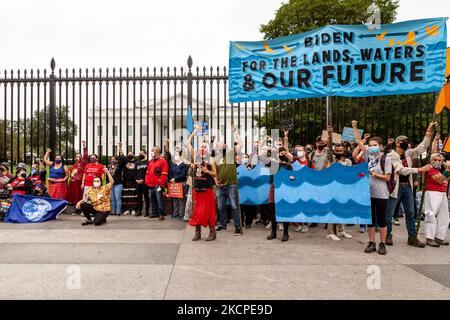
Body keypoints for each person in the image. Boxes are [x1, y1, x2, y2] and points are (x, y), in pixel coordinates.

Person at [385, 121, 436, 247]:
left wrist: (428, 133)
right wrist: (420, 170)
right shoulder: (391, 155)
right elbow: (401, 169)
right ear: (397, 143)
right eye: (404, 141)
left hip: (407, 187)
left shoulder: (408, 153)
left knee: (410, 213)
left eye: (407, 141)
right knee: (389, 213)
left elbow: (422, 148)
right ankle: (387, 235)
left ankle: (412, 238)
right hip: (395, 188)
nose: (406, 144)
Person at [352, 120, 391, 255]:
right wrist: (354, 127)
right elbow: (358, 141)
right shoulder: (368, 155)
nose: (372, 147)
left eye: (375, 145)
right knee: (370, 220)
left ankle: (382, 243)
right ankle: (371, 242)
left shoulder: (386, 158)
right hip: (368, 193)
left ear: (380, 146)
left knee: (381, 220)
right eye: (370, 145)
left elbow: (387, 177)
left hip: (381, 194)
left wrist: (373, 174)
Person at [187, 128, 218, 241]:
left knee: (209, 211)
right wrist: (194, 133)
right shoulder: (196, 157)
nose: (203, 148)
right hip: (197, 189)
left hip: (207, 189)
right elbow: (188, 143)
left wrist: (207, 171)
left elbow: (215, 174)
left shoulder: (211, 160)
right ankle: (197, 232)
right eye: (201, 147)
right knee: (196, 211)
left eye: (205, 147)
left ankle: (212, 232)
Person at [214, 125, 243, 235]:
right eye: (220, 145)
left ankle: (237, 227)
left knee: (234, 206)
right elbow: (214, 172)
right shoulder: (216, 159)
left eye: (224, 144)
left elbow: (241, 144)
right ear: (217, 148)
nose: (222, 146)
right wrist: (216, 181)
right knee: (221, 206)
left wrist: (235, 132)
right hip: (220, 186)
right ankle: (222, 225)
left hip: (231, 184)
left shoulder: (231, 153)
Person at [326, 136, 353, 242]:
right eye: (337, 151)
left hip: (343, 189)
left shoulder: (348, 161)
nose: (339, 152)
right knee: (332, 210)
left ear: (344, 151)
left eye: (341, 150)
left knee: (342, 209)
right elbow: (327, 173)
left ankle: (342, 231)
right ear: (334, 151)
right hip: (332, 189)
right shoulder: (331, 162)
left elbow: (349, 173)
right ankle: (330, 233)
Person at [266, 147, 293, 242]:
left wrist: (292, 178)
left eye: (285, 153)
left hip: (284, 189)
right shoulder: (273, 164)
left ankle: (286, 233)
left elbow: (291, 178)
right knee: (272, 210)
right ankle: (273, 232)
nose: (283, 154)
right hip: (274, 188)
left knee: (284, 210)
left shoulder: (289, 166)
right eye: (281, 153)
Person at [422, 153, 449, 247]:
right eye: (435, 160)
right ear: (431, 160)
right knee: (431, 215)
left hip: (442, 193)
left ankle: (439, 237)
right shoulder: (430, 169)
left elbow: (445, 179)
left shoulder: (438, 171)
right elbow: (440, 180)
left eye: (439, 160)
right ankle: (429, 237)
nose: (437, 162)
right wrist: (448, 169)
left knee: (444, 216)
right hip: (432, 193)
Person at [145, 146, 169, 221]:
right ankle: (153, 213)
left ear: (157, 152)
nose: (152, 151)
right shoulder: (150, 161)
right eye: (152, 150)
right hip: (151, 184)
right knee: (152, 199)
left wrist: (160, 183)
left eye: (153, 150)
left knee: (159, 199)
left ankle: (161, 214)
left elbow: (164, 173)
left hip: (158, 185)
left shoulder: (163, 161)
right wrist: (147, 181)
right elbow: (147, 172)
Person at [168, 147, 189, 220]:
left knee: (181, 200)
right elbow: (170, 173)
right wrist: (171, 179)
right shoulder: (173, 164)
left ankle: (181, 214)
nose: (176, 156)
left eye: (177, 154)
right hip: (173, 184)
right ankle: (175, 214)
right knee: (174, 200)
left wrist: (175, 178)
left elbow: (183, 174)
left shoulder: (185, 165)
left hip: (182, 184)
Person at [66, 140, 88, 209]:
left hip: (79, 181)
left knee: (79, 195)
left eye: (79, 156)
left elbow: (85, 156)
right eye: (77, 156)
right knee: (73, 195)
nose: (78, 157)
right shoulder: (74, 165)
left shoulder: (82, 163)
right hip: (72, 181)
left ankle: (79, 207)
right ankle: (74, 206)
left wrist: (84, 147)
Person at [108, 142, 126, 216]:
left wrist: (120, 149)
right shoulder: (109, 167)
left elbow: (123, 159)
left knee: (117, 198)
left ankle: (118, 211)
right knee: (112, 199)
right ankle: (113, 211)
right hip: (111, 184)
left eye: (114, 159)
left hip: (118, 184)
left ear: (116, 160)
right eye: (112, 159)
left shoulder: (119, 166)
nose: (113, 160)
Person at [135, 149, 150, 216]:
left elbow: (149, 173)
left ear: (145, 154)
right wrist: (136, 180)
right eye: (139, 153)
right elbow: (134, 172)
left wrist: (143, 180)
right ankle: (139, 211)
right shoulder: (137, 163)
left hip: (145, 183)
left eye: (141, 153)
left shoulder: (148, 162)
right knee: (139, 197)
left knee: (146, 197)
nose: (140, 155)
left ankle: (147, 211)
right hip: (138, 183)